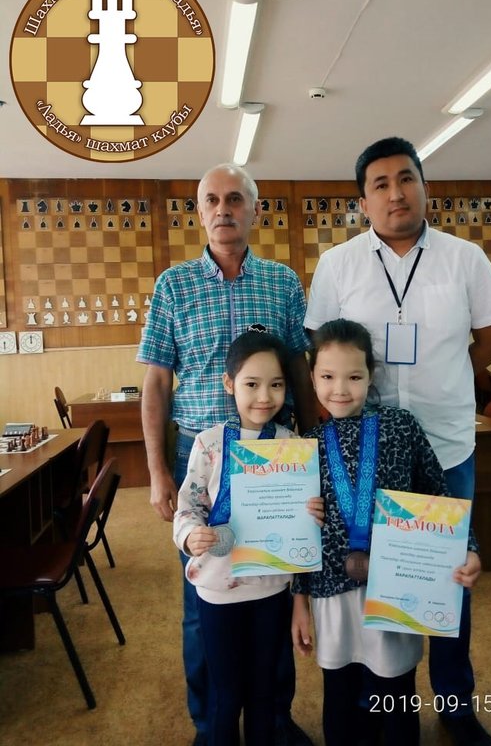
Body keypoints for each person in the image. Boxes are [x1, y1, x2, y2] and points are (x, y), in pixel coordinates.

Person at [304, 137, 491, 746]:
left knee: (450, 579)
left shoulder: (464, 258)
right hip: (364, 456)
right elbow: (320, 350)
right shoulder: (338, 265)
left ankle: (455, 706)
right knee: (367, 577)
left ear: (425, 187)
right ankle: (378, 697)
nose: (395, 193)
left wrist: (449, 375)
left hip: (446, 448)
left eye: (406, 179)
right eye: (380, 184)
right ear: (362, 201)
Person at [137, 163, 317, 746]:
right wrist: (158, 470)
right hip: (200, 457)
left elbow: (299, 370)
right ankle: (210, 723)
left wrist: (312, 453)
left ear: (255, 211)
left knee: (273, 588)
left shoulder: (283, 283)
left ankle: (275, 717)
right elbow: (156, 383)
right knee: (204, 596)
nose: (223, 209)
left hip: (271, 460)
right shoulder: (174, 286)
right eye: (211, 200)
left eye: (235, 199)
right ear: (199, 212)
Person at [291, 319, 481, 746]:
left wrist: (468, 547)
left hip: (395, 587)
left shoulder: (401, 427)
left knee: (396, 693)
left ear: (371, 375)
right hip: (331, 593)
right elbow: (301, 537)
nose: (341, 389)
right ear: (312, 377)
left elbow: (438, 492)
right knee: (340, 695)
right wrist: (299, 601)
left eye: (354, 377)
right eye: (327, 377)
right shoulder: (307, 444)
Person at [174, 331, 324, 746]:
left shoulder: (293, 446)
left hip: (271, 591)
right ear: (229, 384)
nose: (264, 396)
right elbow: (188, 506)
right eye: (251, 384)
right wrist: (190, 536)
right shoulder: (208, 444)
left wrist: (313, 514)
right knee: (226, 695)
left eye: (276, 385)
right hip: (217, 590)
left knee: (262, 692)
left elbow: (304, 524)